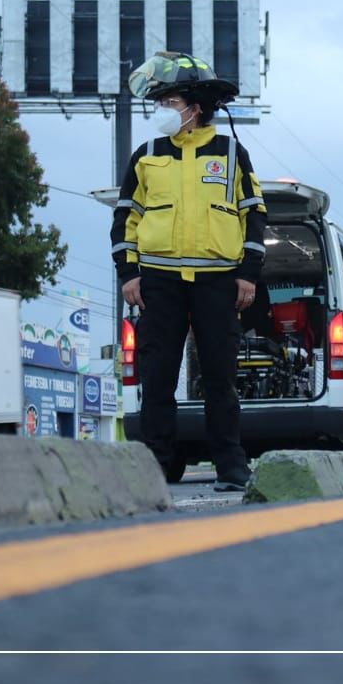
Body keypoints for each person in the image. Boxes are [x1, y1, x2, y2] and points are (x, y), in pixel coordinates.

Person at [111, 52, 268, 490]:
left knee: (220, 377)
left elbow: (254, 215)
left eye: (169, 101)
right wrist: (129, 274)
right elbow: (126, 219)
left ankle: (231, 467)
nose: (161, 111)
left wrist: (248, 273)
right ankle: (157, 466)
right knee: (157, 377)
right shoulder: (147, 156)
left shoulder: (232, 153)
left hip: (219, 282)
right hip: (159, 281)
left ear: (194, 107)